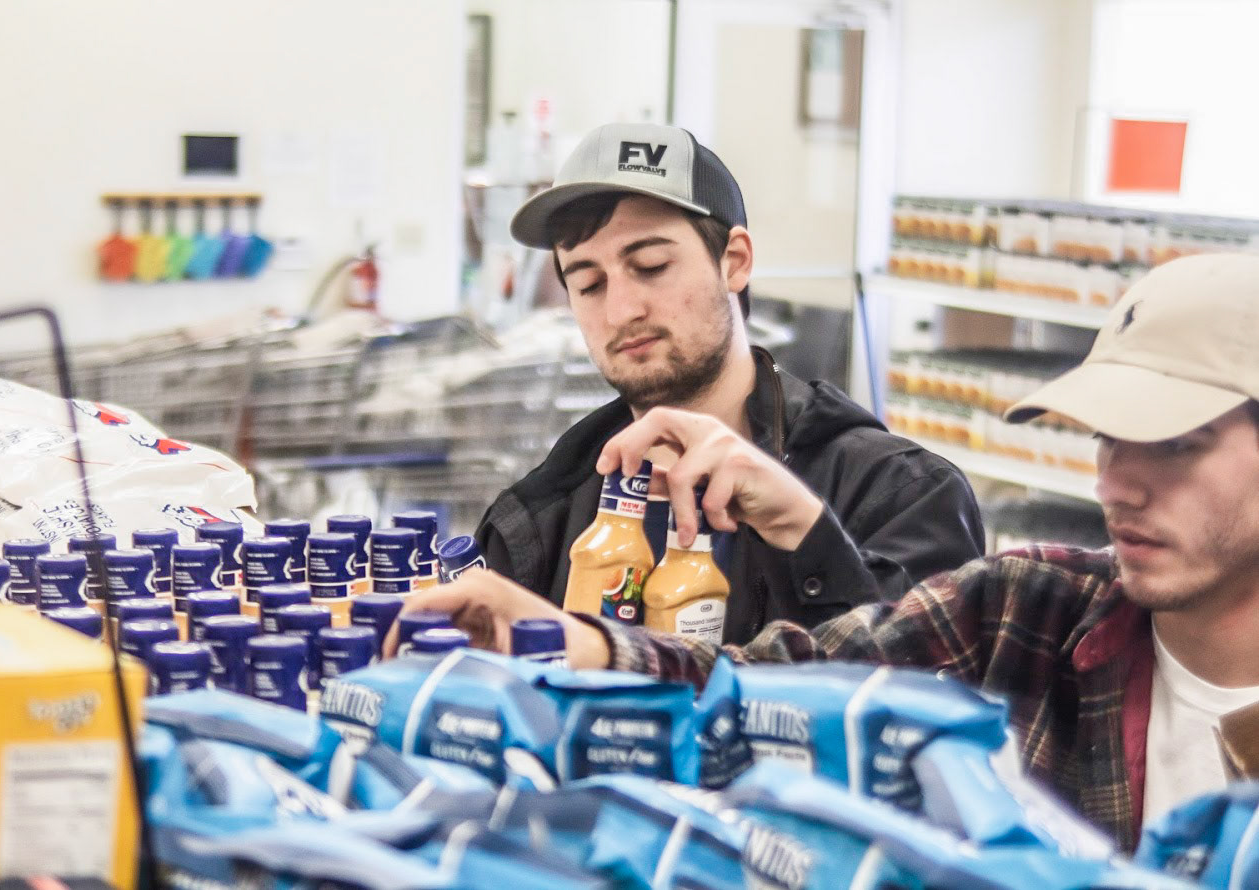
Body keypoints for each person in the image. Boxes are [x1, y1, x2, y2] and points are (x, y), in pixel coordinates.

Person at [399, 252, 1259, 852]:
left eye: (1177, 443)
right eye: (1109, 438)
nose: (1120, 485)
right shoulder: (1022, 614)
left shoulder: (903, 485)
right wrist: (563, 641)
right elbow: (780, 688)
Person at [478, 121, 983, 640]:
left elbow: (930, 684)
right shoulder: (538, 522)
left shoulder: (901, 496)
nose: (621, 310)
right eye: (588, 284)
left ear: (734, 262)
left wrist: (805, 534)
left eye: (651, 266)